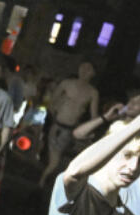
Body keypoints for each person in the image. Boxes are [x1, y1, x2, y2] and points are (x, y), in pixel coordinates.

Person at [39, 59, 99, 187]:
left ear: (93, 73)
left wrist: (89, 132)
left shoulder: (92, 92)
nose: (84, 71)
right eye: (82, 67)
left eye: (88, 69)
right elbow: (52, 103)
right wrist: (55, 112)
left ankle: (44, 183)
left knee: (57, 162)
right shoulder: (67, 84)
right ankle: (42, 182)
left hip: (70, 130)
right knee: (53, 161)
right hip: (56, 125)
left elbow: (94, 116)